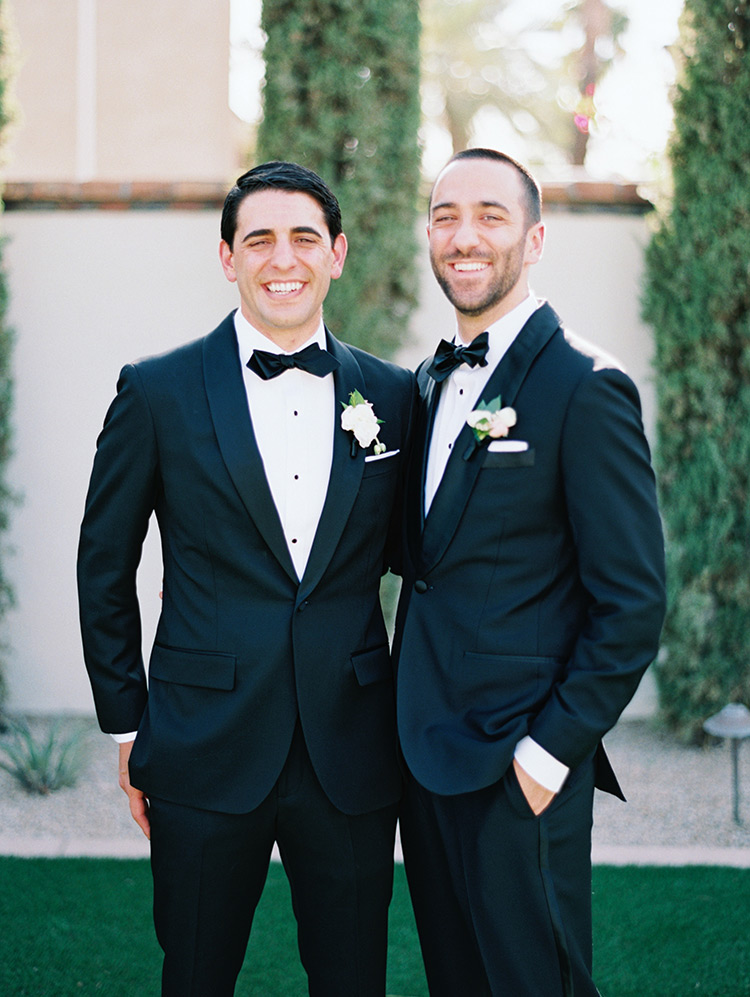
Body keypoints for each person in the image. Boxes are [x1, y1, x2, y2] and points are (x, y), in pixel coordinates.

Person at [77, 160, 415, 997]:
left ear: (337, 253)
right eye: (258, 239)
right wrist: (128, 727)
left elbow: (432, 565)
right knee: (195, 975)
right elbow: (102, 564)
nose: (283, 258)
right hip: (200, 743)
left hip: (352, 749)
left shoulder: (397, 396)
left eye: (304, 237)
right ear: (227, 258)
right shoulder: (156, 391)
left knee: (353, 982)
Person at [394, 148, 666, 996]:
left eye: (490, 216)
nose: (463, 237)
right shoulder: (427, 382)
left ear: (535, 238)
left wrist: (547, 756)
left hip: (519, 761)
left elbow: (631, 602)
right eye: (445, 218)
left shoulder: (587, 386)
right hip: (423, 757)